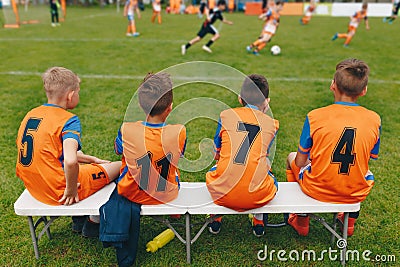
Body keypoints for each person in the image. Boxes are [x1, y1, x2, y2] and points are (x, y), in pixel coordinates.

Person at [15, 67, 122, 238]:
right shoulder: (68, 120)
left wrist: (91, 159)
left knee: (90, 167)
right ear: (71, 96)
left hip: (34, 184)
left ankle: (78, 220)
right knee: (120, 166)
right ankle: (94, 221)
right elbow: (71, 161)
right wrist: (71, 189)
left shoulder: (32, 114)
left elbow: (49, 151)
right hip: (57, 190)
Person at [286, 58, 381, 237]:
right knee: (365, 171)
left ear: (333, 85)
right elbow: (368, 157)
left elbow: (300, 161)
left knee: (292, 157)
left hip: (317, 188)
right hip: (355, 191)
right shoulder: (375, 119)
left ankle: (301, 220)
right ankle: (349, 224)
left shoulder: (315, 116)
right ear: (364, 91)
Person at [99, 72, 187, 266]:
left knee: (126, 169)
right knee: (173, 167)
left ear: (140, 105)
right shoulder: (179, 131)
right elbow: (179, 154)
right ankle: (175, 213)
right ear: (170, 108)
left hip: (133, 193)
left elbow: (117, 149)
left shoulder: (127, 129)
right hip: (166, 193)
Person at [206, 74, 279, 237]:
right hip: (256, 193)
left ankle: (215, 217)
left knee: (218, 168)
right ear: (267, 101)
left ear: (240, 99)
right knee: (265, 166)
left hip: (223, 190)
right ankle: (259, 221)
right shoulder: (272, 124)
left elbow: (216, 153)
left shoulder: (226, 115)